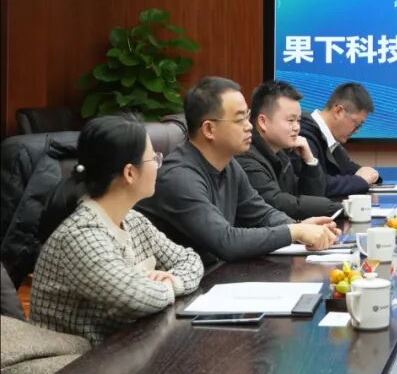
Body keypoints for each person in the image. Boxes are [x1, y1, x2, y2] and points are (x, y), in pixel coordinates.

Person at [31, 115, 204, 345]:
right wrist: (169, 284)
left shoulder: (133, 220)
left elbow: (190, 260)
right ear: (130, 173)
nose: (158, 165)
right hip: (74, 357)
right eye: (154, 158)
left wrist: (173, 281)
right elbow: (134, 297)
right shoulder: (80, 236)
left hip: (122, 349)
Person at [137, 77, 339, 265]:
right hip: (177, 284)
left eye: (247, 117)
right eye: (240, 119)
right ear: (209, 129)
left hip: (214, 274)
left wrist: (301, 226)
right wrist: (294, 231)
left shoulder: (229, 164)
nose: (249, 126)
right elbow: (225, 241)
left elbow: (261, 214)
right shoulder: (179, 177)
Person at [237, 81, 339, 219]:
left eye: (298, 120)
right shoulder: (245, 157)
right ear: (263, 122)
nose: (297, 127)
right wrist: (338, 208)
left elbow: (308, 199)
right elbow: (278, 203)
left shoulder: (281, 154)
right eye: (291, 120)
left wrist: (310, 162)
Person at [298, 82, 380, 198]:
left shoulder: (330, 138)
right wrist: (360, 180)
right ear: (339, 111)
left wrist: (367, 174)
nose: (356, 131)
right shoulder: (304, 133)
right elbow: (317, 185)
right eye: (356, 124)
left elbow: (348, 168)